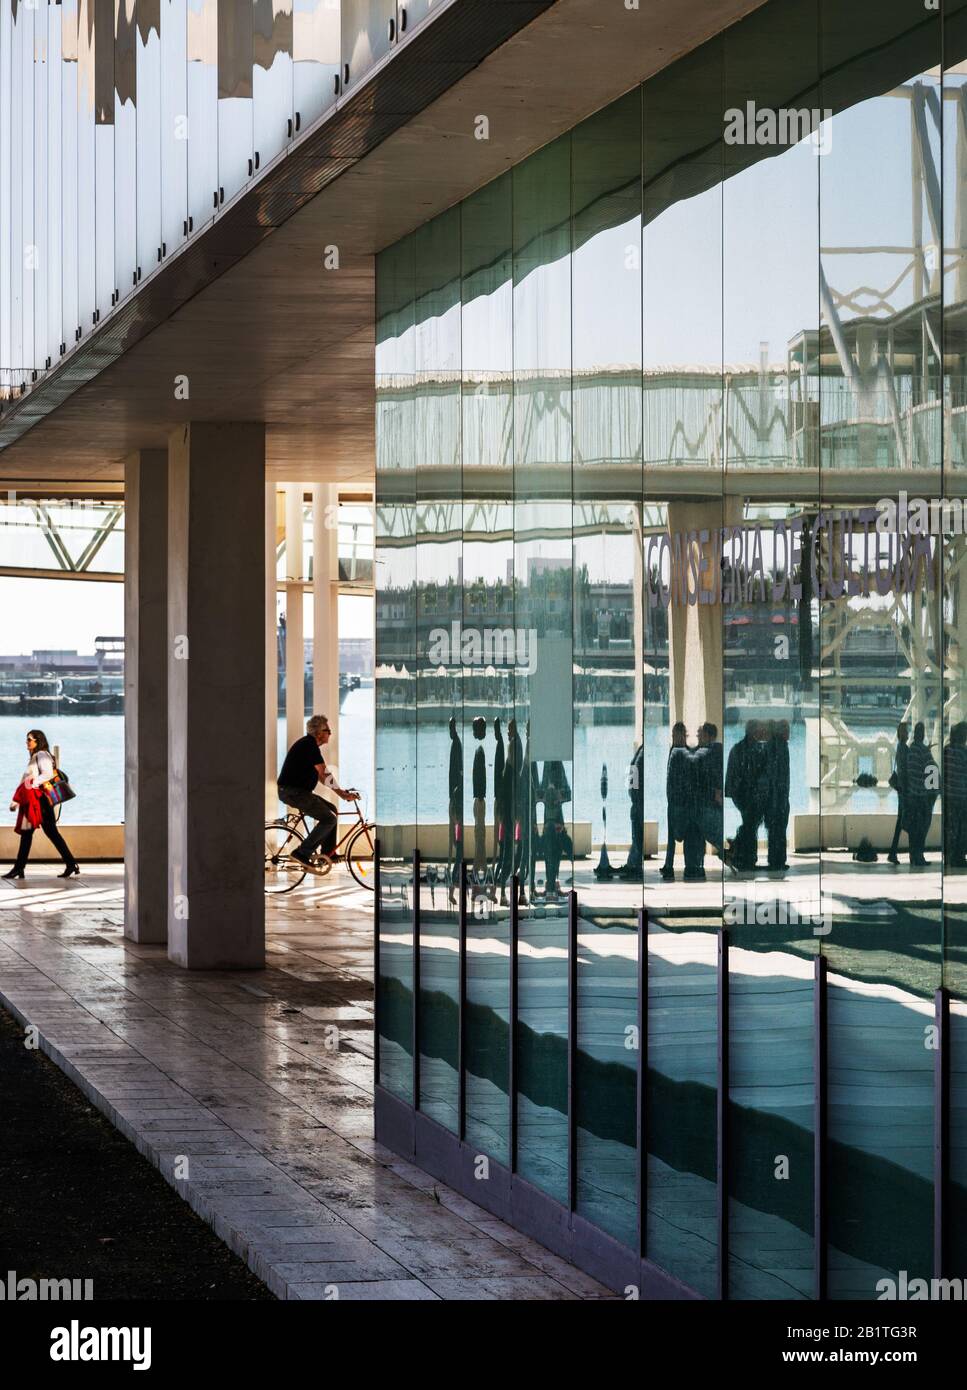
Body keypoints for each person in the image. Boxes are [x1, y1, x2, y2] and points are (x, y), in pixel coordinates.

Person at [277, 714, 359, 869]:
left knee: (332, 811)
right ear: (319, 733)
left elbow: (322, 777)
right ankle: (302, 852)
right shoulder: (309, 745)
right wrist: (342, 794)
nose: (330, 733)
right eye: (328, 730)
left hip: (297, 792)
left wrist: (341, 792)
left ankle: (328, 854)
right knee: (329, 819)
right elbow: (324, 773)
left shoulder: (309, 745)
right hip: (293, 792)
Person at [3, 729, 79, 880]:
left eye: (29, 740)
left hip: (41, 801)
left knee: (38, 833)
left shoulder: (42, 754)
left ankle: (19, 868)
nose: (27, 742)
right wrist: (18, 798)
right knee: (39, 833)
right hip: (37, 800)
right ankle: (70, 864)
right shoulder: (36, 756)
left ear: (38, 741)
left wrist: (33, 784)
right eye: (27, 739)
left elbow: (48, 774)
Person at [725, 720, 770, 872]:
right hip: (748, 795)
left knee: (750, 824)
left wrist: (733, 793)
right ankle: (744, 855)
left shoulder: (738, 748)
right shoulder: (755, 749)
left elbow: (732, 775)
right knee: (751, 825)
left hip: (743, 795)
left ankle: (740, 853)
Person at [661, 723, 703, 881]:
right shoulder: (679, 751)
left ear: (681, 735)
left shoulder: (683, 752)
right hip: (675, 802)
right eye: (672, 734)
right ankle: (669, 865)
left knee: (681, 836)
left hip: (680, 803)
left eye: (675, 734)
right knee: (672, 836)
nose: (673, 737)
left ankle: (677, 865)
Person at [905, 721, 938, 867]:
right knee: (922, 828)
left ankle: (914, 856)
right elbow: (932, 769)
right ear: (922, 734)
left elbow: (910, 771)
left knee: (914, 829)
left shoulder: (911, 749)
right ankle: (919, 856)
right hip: (922, 796)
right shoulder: (923, 750)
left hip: (913, 794)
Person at [691, 722, 723, 860]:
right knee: (710, 832)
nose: (699, 737)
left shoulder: (712, 751)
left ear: (709, 736)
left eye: (702, 734)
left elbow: (715, 774)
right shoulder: (713, 750)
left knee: (711, 832)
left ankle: (727, 854)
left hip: (710, 799)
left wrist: (717, 793)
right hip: (709, 799)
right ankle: (727, 854)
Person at [766, 720, 791, 872]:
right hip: (779, 797)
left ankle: (775, 860)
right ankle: (778, 861)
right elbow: (778, 775)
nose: (789, 732)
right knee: (779, 830)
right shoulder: (780, 747)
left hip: (777, 796)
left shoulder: (775, 745)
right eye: (787, 729)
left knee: (775, 831)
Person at [619, 740, 645, 879]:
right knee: (636, 835)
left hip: (638, 801)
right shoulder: (641, 751)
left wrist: (634, 793)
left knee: (637, 836)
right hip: (636, 800)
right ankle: (632, 865)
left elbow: (635, 772)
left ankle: (634, 867)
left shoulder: (642, 753)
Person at [944, 722, 967, 869]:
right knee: (961, 828)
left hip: (948, 795)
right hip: (961, 796)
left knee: (950, 827)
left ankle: (949, 857)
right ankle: (958, 857)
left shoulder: (946, 750)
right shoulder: (964, 752)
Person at [887, 721, 909, 865]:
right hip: (904, 789)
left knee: (900, 821)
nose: (907, 733)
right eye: (905, 731)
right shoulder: (903, 748)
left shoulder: (900, 747)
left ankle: (893, 852)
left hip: (901, 789)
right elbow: (905, 768)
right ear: (900, 734)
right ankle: (893, 852)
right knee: (902, 820)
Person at [471, 716, 487, 882]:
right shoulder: (480, 748)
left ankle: (478, 867)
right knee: (479, 834)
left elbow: (480, 775)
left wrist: (480, 797)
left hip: (479, 799)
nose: (473, 731)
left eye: (474, 727)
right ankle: (479, 866)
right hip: (479, 797)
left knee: (479, 834)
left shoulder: (479, 749)